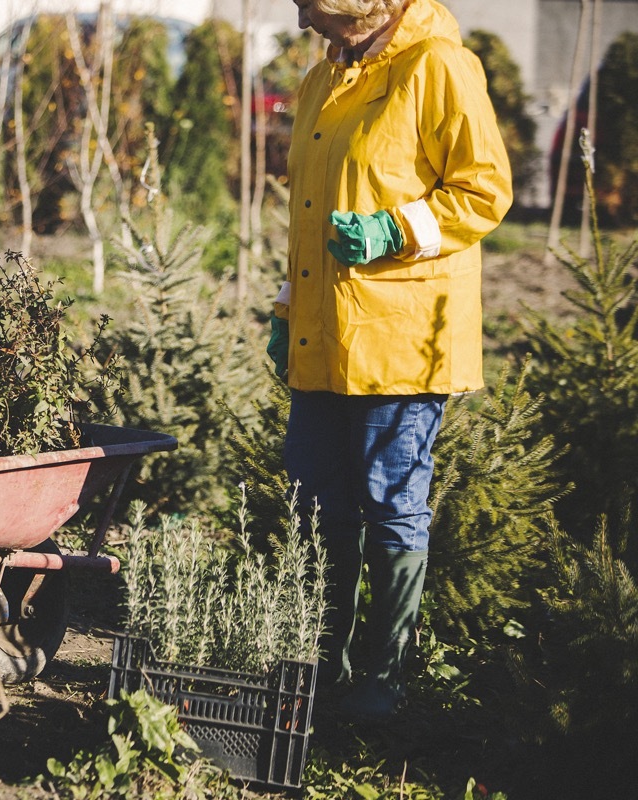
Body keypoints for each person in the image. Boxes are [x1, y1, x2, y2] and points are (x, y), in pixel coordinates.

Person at [270, 0, 512, 721]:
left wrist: (394, 229)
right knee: (318, 506)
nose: (305, 22)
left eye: (314, 8)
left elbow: (485, 186)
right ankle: (323, 667)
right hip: (323, 332)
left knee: (391, 505)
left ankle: (384, 681)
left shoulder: (438, 67)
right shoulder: (324, 78)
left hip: (399, 337)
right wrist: (287, 309)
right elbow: (311, 217)